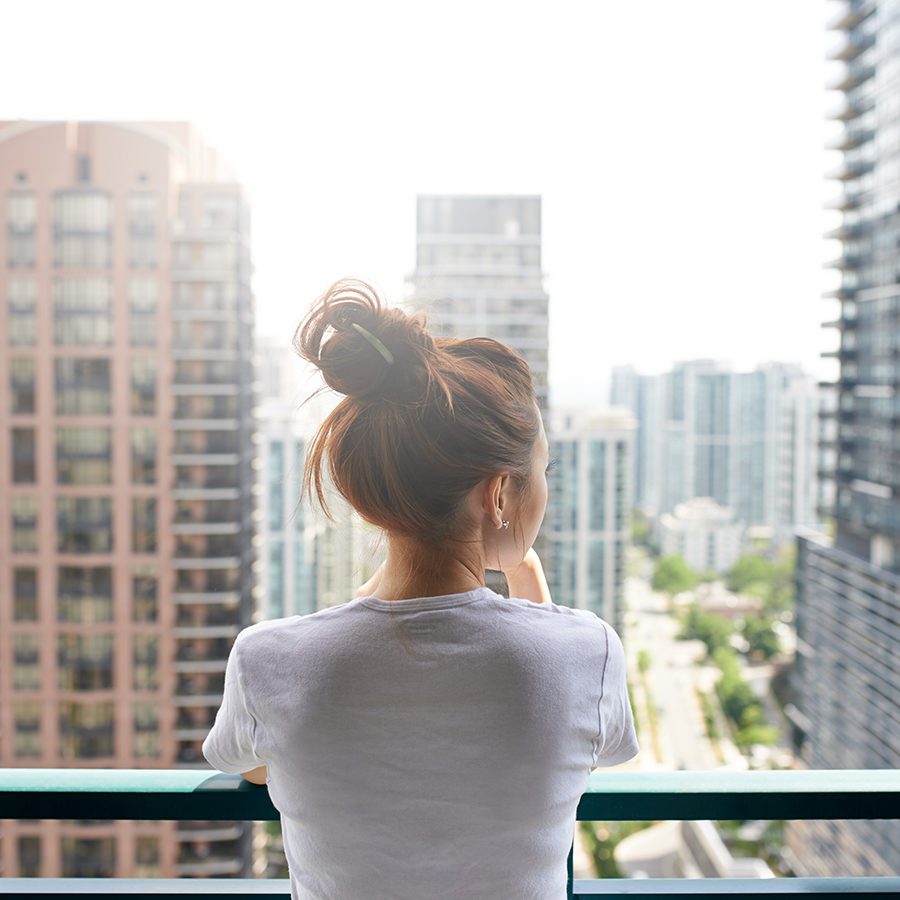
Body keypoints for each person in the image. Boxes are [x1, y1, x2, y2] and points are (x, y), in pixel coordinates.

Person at [202, 278, 639, 899]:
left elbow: (252, 765)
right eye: (543, 470)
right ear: (498, 494)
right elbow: (580, 748)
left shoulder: (269, 658)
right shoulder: (586, 651)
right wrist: (527, 585)